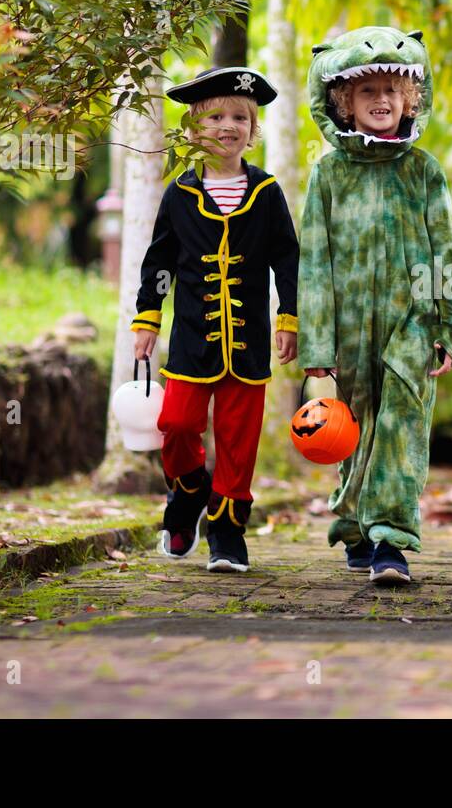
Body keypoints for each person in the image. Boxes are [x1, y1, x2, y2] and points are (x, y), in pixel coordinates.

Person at [298, 25, 452, 585]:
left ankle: (390, 538)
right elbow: (315, 264)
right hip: (346, 329)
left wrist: (448, 326)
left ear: (410, 100)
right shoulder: (327, 175)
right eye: (366, 91)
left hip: (412, 324)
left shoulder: (423, 170)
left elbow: (445, 252)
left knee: (401, 426)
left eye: (392, 91)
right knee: (352, 429)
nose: (380, 100)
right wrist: (317, 350)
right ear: (343, 103)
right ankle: (352, 524)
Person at [132, 66, 299, 573]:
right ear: (194, 129)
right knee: (177, 423)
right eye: (217, 117)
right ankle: (187, 493)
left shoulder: (267, 192)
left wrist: (288, 317)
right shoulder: (178, 194)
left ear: (253, 129)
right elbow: (159, 262)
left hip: (247, 343)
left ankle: (227, 530)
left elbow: (288, 259)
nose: (229, 126)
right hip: (190, 342)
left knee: (237, 439)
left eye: (241, 118)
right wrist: (147, 318)